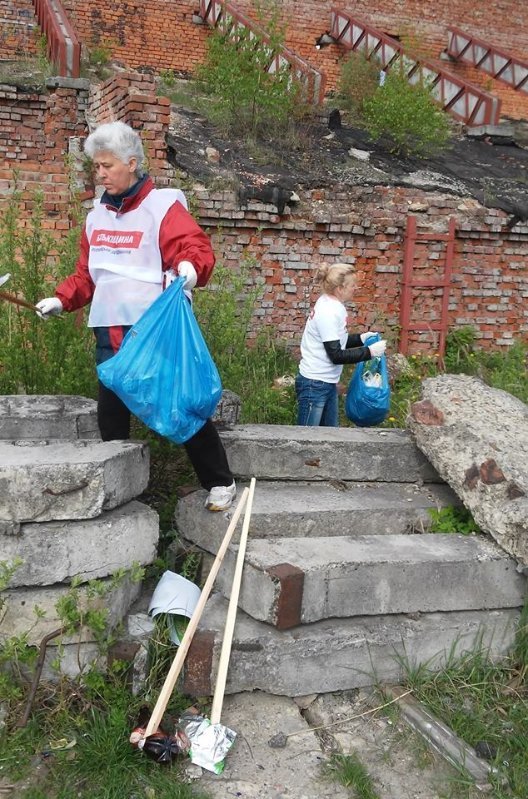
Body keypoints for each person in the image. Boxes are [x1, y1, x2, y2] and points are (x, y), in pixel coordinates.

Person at [36, 120, 236, 512]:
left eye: (107, 165)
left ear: (131, 163)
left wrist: (191, 269)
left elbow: (195, 248)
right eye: (96, 166)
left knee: (176, 402)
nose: (100, 173)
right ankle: (117, 488)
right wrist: (60, 299)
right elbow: (87, 276)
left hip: (152, 330)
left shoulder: (162, 207)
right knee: (111, 411)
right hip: (108, 329)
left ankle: (219, 481)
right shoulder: (96, 217)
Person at [296, 262, 387, 426]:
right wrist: (370, 352)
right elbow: (336, 355)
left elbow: (335, 340)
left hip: (326, 382)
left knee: (331, 436)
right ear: (340, 288)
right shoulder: (328, 312)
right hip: (314, 384)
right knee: (306, 436)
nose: (355, 288)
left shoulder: (331, 304)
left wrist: (361, 339)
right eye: (352, 285)